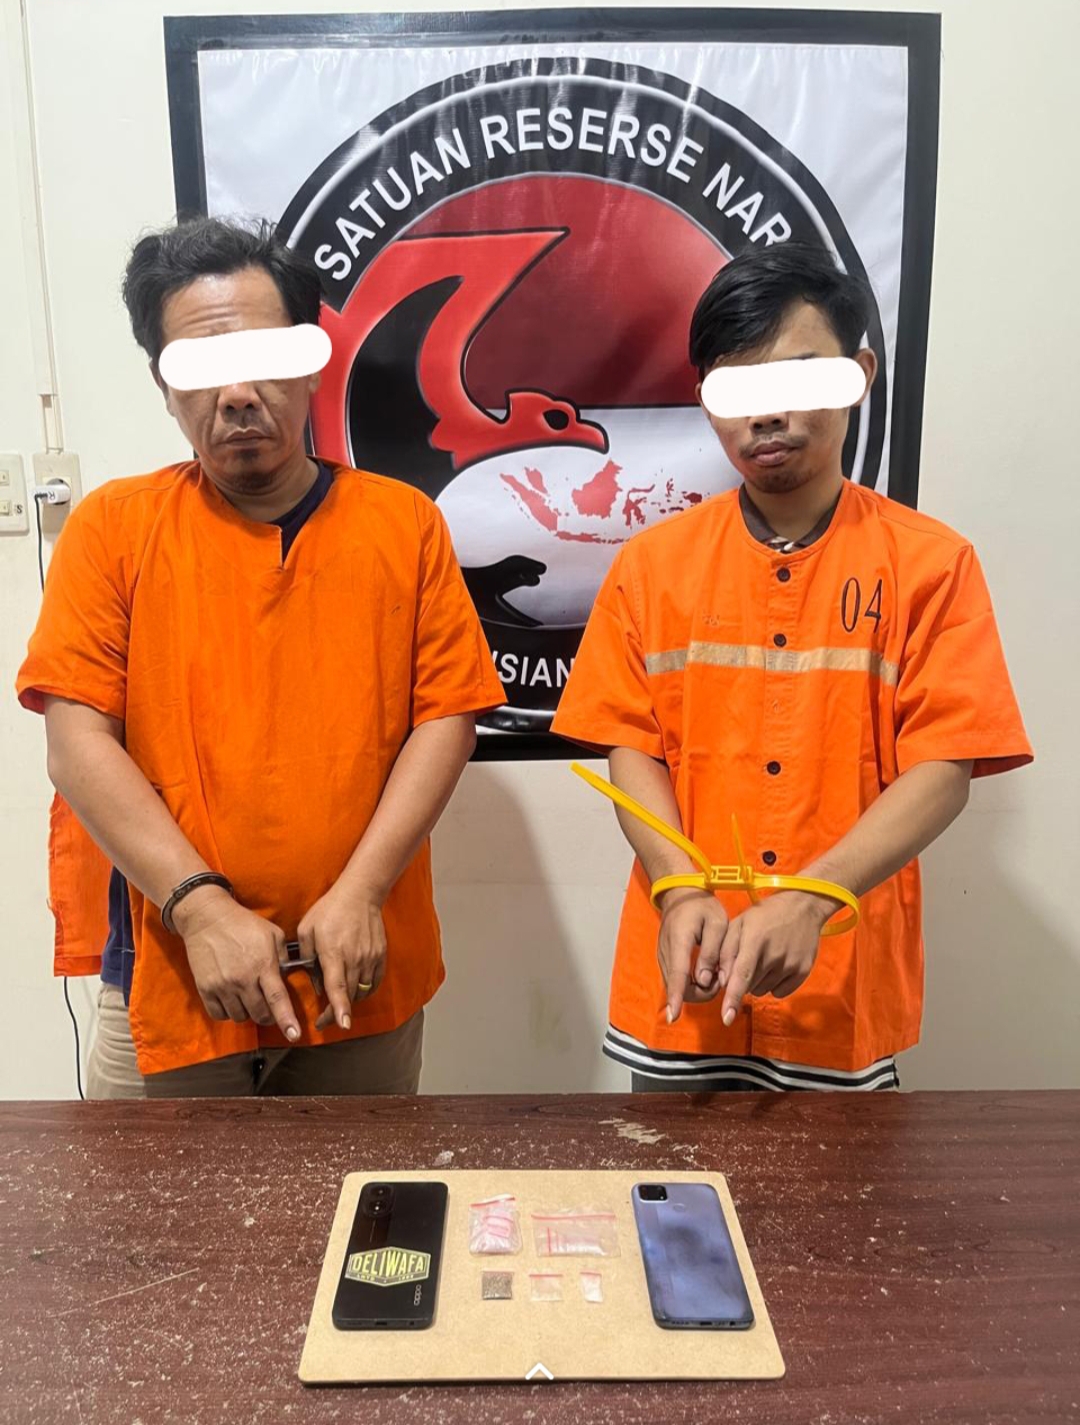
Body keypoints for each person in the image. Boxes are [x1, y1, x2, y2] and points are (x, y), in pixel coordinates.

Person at [17, 216, 504, 1098]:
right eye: (201, 369)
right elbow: (77, 742)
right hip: (173, 963)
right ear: (165, 387)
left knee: (366, 1187)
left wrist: (362, 891)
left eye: (265, 360)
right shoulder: (112, 530)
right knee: (156, 1193)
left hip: (357, 961)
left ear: (312, 365)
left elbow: (447, 717)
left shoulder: (403, 525)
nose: (238, 395)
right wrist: (200, 907)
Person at [551, 242, 1032, 1092]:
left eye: (800, 377)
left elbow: (945, 768)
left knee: (843, 1184)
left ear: (860, 375)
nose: (767, 415)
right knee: (664, 1178)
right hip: (684, 981)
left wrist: (813, 896)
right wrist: (678, 889)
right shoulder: (652, 566)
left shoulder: (932, 564)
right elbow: (631, 745)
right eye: (738, 389)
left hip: (839, 987)